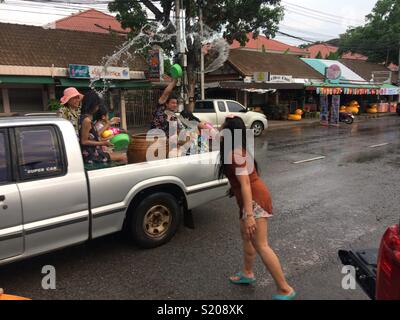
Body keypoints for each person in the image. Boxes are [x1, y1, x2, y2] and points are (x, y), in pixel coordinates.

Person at [217, 116, 296, 301]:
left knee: (261, 244)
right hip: (249, 199)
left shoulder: (235, 153)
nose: (219, 130)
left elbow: (245, 184)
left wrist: (250, 214)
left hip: (254, 200)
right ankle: (247, 272)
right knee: (246, 236)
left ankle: (285, 289)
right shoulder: (233, 149)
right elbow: (243, 180)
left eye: (222, 128)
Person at [80, 90, 127, 165]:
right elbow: (84, 141)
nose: (98, 108)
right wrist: (103, 143)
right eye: (97, 105)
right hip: (91, 155)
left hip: (94, 151)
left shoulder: (86, 118)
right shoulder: (86, 120)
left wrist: (109, 123)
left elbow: (94, 135)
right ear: (93, 105)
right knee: (124, 158)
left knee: (122, 156)